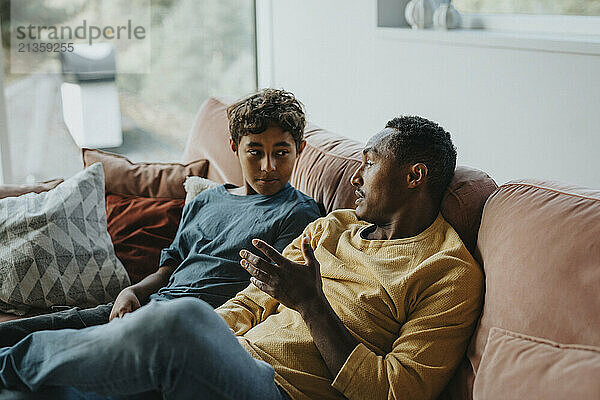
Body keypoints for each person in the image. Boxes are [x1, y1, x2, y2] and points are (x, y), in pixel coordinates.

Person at [0, 116, 484, 400]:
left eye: (370, 163)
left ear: (414, 175)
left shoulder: (446, 273)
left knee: (179, 321)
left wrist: (311, 305)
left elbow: (395, 391)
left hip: (281, 393)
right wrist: (212, 341)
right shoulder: (331, 228)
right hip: (235, 363)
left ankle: (8, 366)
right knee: (160, 332)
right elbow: (250, 302)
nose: (357, 177)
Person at [0, 88, 320, 348]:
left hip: (185, 329)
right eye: (255, 151)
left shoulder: (297, 214)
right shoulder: (208, 199)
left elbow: (266, 299)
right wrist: (134, 292)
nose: (268, 166)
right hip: (148, 305)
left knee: (43, 355)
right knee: (31, 331)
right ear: (234, 147)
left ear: (299, 150)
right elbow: (171, 266)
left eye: (281, 152)